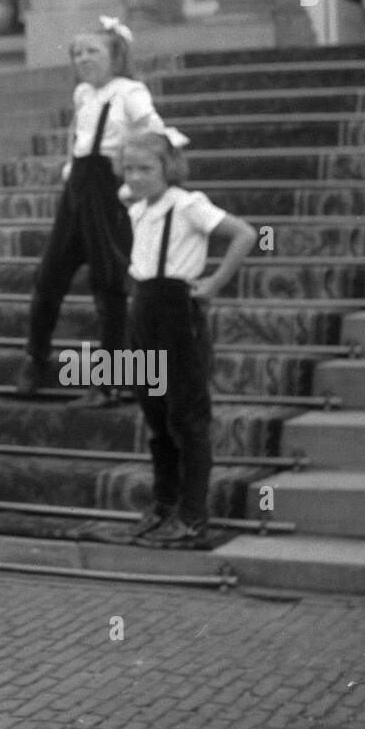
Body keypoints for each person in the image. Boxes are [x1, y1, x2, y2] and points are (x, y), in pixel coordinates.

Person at [120, 129, 255, 548]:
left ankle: (193, 517)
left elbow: (244, 234)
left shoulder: (188, 204)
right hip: (143, 310)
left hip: (178, 313)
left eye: (146, 167)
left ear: (169, 167)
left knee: (187, 417)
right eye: (129, 168)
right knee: (155, 414)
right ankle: (163, 506)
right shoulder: (137, 209)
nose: (136, 176)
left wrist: (213, 283)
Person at [19, 18, 165, 405]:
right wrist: (70, 166)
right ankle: (36, 358)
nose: (82, 59)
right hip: (78, 188)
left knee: (110, 283)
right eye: (77, 53)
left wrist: (129, 176)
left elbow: (154, 132)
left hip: (106, 188)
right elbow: (77, 135)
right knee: (49, 275)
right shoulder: (84, 94)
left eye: (92, 52)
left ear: (117, 56)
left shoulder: (130, 92)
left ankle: (111, 382)